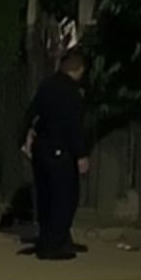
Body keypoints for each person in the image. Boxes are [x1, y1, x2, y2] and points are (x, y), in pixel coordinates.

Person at [21, 53, 90, 260]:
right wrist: (81, 154)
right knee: (65, 198)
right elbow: (73, 126)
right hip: (60, 151)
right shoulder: (71, 92)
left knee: (46, 196)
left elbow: (32, 112)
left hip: (41, 149)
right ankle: (53, 245)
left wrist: (25, 137)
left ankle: (51, 239)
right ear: (78, 70)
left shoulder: (47, 85)